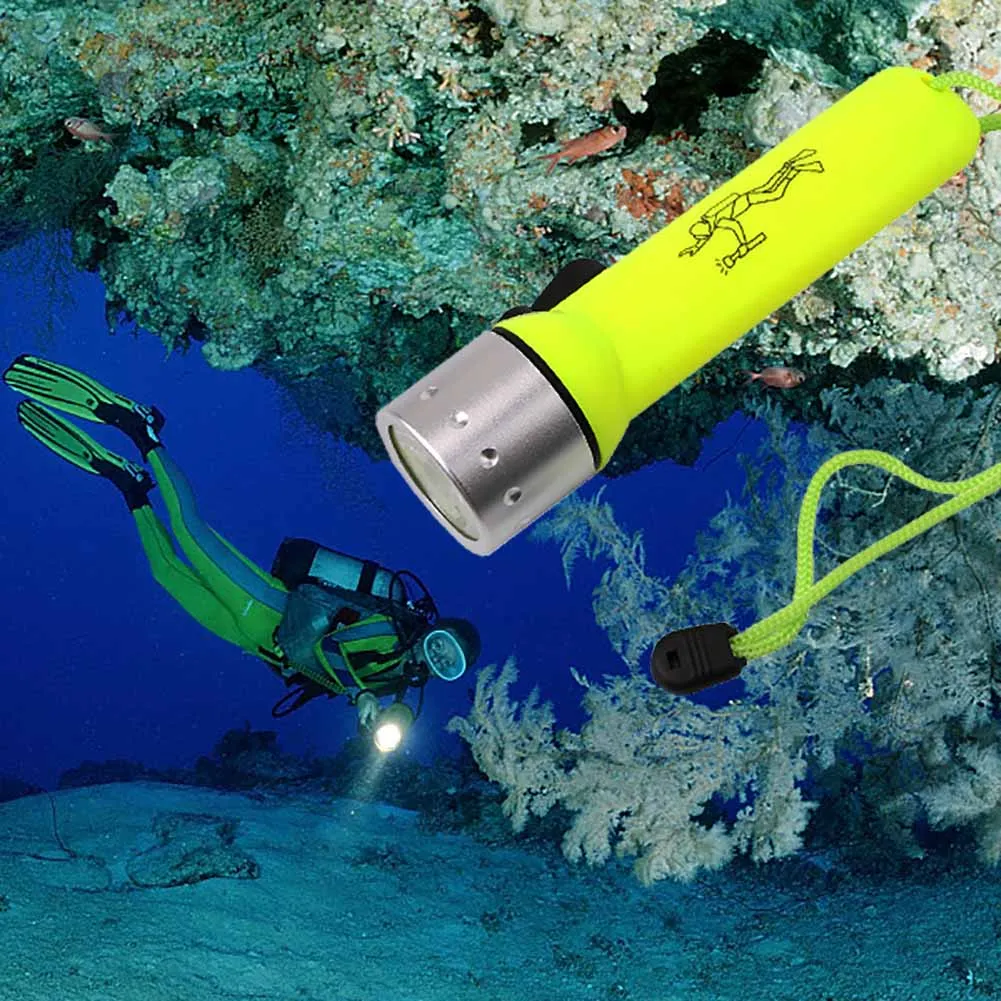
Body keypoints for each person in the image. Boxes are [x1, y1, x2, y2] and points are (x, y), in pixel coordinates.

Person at [3, 355, 480, 751]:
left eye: (449, 663)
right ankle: (142, 430)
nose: (437, 656)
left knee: (166, 572)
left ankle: (131, 487)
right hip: (270, 606)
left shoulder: (401, 680)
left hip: (258, 642)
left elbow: (350, 683)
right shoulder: (396, 627)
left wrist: (381, 710)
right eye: (444, 644)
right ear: (436, 629)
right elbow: (330, 637)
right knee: (190, 533)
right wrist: (360, 694)